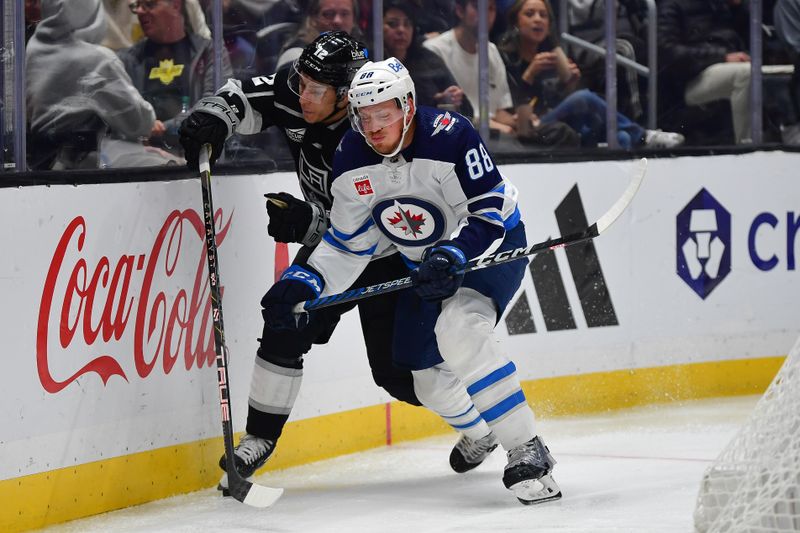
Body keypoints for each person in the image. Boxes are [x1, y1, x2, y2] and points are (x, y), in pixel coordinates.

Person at [179, 31, 494, 492]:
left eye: (317, 90)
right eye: (303, 83)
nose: (304, 95)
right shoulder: (298, 89)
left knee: (396, 375)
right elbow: (246, 95)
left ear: (346, 96)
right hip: (336, 247)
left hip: (388, 251)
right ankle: (260, 437)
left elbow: (380, 220)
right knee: (286, 315)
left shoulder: (370, 131)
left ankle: (479, 425)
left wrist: (309, 223)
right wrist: (214, 116)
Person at [259, 56, 563, 504]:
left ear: (407, 105)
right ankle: (480, 432)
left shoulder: (450, 134)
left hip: (488, 250)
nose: (375, 126)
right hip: (427, 265)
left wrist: (456, 252)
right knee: (421, 376)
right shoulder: (351, 155)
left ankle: (528, 449)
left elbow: (489, 211)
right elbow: (349, 244)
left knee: (459, 328)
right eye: (365, 117)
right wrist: (305, 281)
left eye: (384, 113)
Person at [499, 0, 685, 148]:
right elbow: (507, 108)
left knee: (621, 136)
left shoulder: (554, 56)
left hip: (559, 125)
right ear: (515, 23)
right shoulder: (506, 58)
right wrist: (529, 75)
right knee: (583, 98)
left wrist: (571, 83)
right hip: (528, 127)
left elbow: (563, 100)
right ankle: (643, 135)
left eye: (543, 15)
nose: (538, 19)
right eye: (529, 14)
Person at [26, 0, 176, 169]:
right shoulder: (97, 59)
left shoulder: (33, 50)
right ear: (89, 12)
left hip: (42, 164)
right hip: (85, 163)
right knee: (172, 164)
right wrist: (151, 123)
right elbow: (138, 122)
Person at [117, 0, 232, 156]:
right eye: (136, 6)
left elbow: (213, 109)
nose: (140, 11)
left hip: (196, 154)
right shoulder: (128, 59)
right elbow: (119, 113)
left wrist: (162, 129)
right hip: (141, 156)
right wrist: (143, 128)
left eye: (149, 5)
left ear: (176, 5)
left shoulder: (208, 51)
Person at [657, 0, 753, 144]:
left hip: (730, 65)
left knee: (769, 71)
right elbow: (668, 52)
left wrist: (739, 8)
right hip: (691, 78)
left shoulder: (724, 6)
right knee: (747, 73)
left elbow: (756, 41)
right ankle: (748, 144)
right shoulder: (671, 5)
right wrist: (722, 57)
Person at [422, 0, 518, 134]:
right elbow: (437, 114)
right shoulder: (434, 50)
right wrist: (491, 124)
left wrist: (519, 121)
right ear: (460, 11)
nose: (486, 15)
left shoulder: (492, 51)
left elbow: (499, 112)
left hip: (493, 138)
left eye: (491, 9)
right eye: (478, 8)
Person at [382, 0, 474, 117]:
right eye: (392, 24)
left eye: (407, 24)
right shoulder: (369, 60)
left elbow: (467, 109)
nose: (401, 30)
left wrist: (451, 98)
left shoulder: (429, 60)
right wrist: (432, 103)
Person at [275, 0, 365, 70]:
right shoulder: (296, 54)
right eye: (328, 14)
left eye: (345, 14)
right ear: (313, 19)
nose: (337, 21)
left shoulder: (360, 53)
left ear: (354, 20)